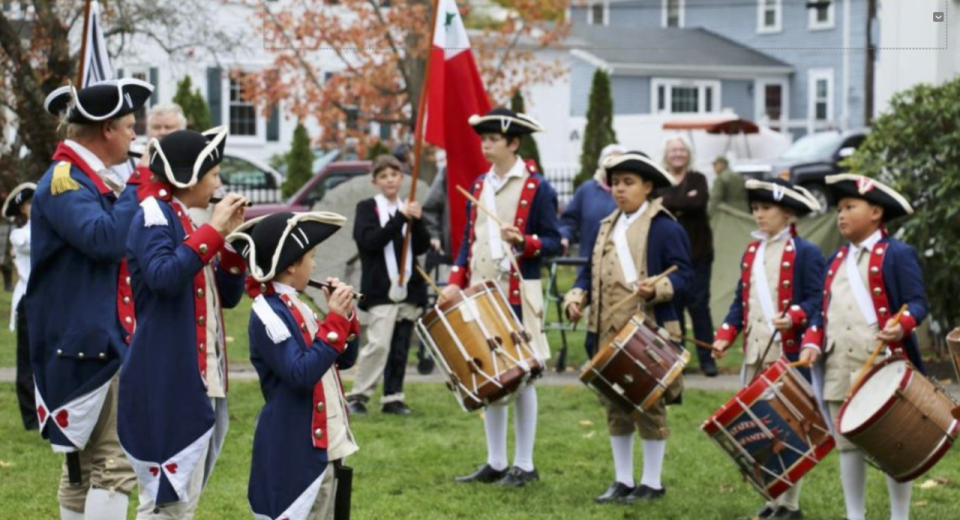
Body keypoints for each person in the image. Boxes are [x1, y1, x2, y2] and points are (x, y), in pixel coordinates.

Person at [30, 78, 153, 520]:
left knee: (84, 468)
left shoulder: (81, 178)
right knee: (114, 463)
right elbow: (104, 241)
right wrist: (140, 183)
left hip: (91, 337)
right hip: (91, 341)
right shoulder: (65, 181)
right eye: (128, 126)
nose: (134, 136)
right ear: (106, 130)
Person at [119, 127, 248, 518]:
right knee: (166, 500)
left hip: (200, 376)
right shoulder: (155, 213)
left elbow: (226, 296)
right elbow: (162, 277)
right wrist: (212, 232)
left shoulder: (186, 219)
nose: (219, 182)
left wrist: (231, 244)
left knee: (184, 499)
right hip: (170, 376)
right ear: (189, 175)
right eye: (213, 173)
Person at [440, 107, 561, 487]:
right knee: (488, 373)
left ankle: (524, 464)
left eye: (493, 140)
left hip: (517, 293)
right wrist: (455, 280)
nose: (486, 146)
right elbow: (467, 241)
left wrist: (525, 242)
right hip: (481, 289)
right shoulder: (478, 186)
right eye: (484, 140)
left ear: (513, 143)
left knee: (523, 376)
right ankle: (495, 461)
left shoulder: (538, 187)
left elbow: (556, 241)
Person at [564, 151, 693, 504]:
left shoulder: (665, 226)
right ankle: (622, 480)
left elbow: (684, 275)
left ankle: (651, 482)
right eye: (615, 183)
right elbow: (589, 273)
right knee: (614, 405)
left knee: (648, 406)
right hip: (607, 330)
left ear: (647, 186)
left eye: (628, 183)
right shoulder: (606, 225)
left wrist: (657, 288)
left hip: (647, 331)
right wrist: (577, 297)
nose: (619, 190)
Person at [799, 174, 926, 520]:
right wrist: (812, 342)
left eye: (849, 207)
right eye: (839, 208)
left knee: (892, 444)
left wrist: (901, 325)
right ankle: (855, 515)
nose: (841, 215)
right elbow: (822, 313)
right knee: (847, 444)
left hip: (883, 365)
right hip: (840, 363)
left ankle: (899, 515)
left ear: (875, 212)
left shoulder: (897, 254)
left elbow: (917, 303)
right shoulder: (835, 258)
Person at [227, 211, 361, 520]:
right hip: (299, 447)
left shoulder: (300, 305)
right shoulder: (268, 313)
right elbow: (300, 373)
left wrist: (345, 316)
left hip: (326, 443)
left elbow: (343, 359)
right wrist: (335, 322)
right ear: (291, 264)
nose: (314, 265)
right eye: (311, 257)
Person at [711, 179, 825, 519]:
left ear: (787, 213)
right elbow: (740, 303)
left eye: (766, 209)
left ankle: (790, 503)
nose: (759, 215)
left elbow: (819, 300)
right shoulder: (752, 252)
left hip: (788, 355)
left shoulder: (806, 252)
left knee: (789, 429)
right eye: (756, 209)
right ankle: (773, 496)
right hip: (756, 353)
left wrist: (794, 316)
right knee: (761, 427)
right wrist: (725, 335)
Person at [346, 154, 429, 415]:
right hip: (381, 288)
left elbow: (422, 246)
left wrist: (418, 221)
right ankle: (358, 395)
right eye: (383, 176)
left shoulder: (409, 207)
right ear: (375, 181)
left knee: (400, 345)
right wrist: (400, 219)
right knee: (379, 343)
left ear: (401, 178)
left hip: (408, 288)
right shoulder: (367, 207)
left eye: (394, 174)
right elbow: (369, 241)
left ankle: (393, 397)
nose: (389, 179)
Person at [658, 135, 718, 376]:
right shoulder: (660, 179)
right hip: (671, 258)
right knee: (674, 306)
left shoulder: (698, 179)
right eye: (673, 150)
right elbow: (656, 203)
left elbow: (699, 203)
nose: (678, 154)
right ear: (666, 154)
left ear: (688, 153)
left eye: (682, 150)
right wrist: (682, 201)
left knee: (699, 305)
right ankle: (677, 358)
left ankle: (707, 360)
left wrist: (670, 201)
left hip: (699, 254)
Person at [559, 144, 622, 358]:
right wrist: (565, 236)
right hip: (590, 262)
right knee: (592, 316)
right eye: (609, 162)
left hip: (621, 266)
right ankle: (598, 359)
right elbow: (570, 218)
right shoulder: (587, 190)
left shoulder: (625, 193)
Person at [4, 182, 37, 430]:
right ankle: (30, 417)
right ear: (23, 209)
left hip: (49, 300)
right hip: (28, 299)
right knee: (27, 360)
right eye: (31, 204)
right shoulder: (21, 235)